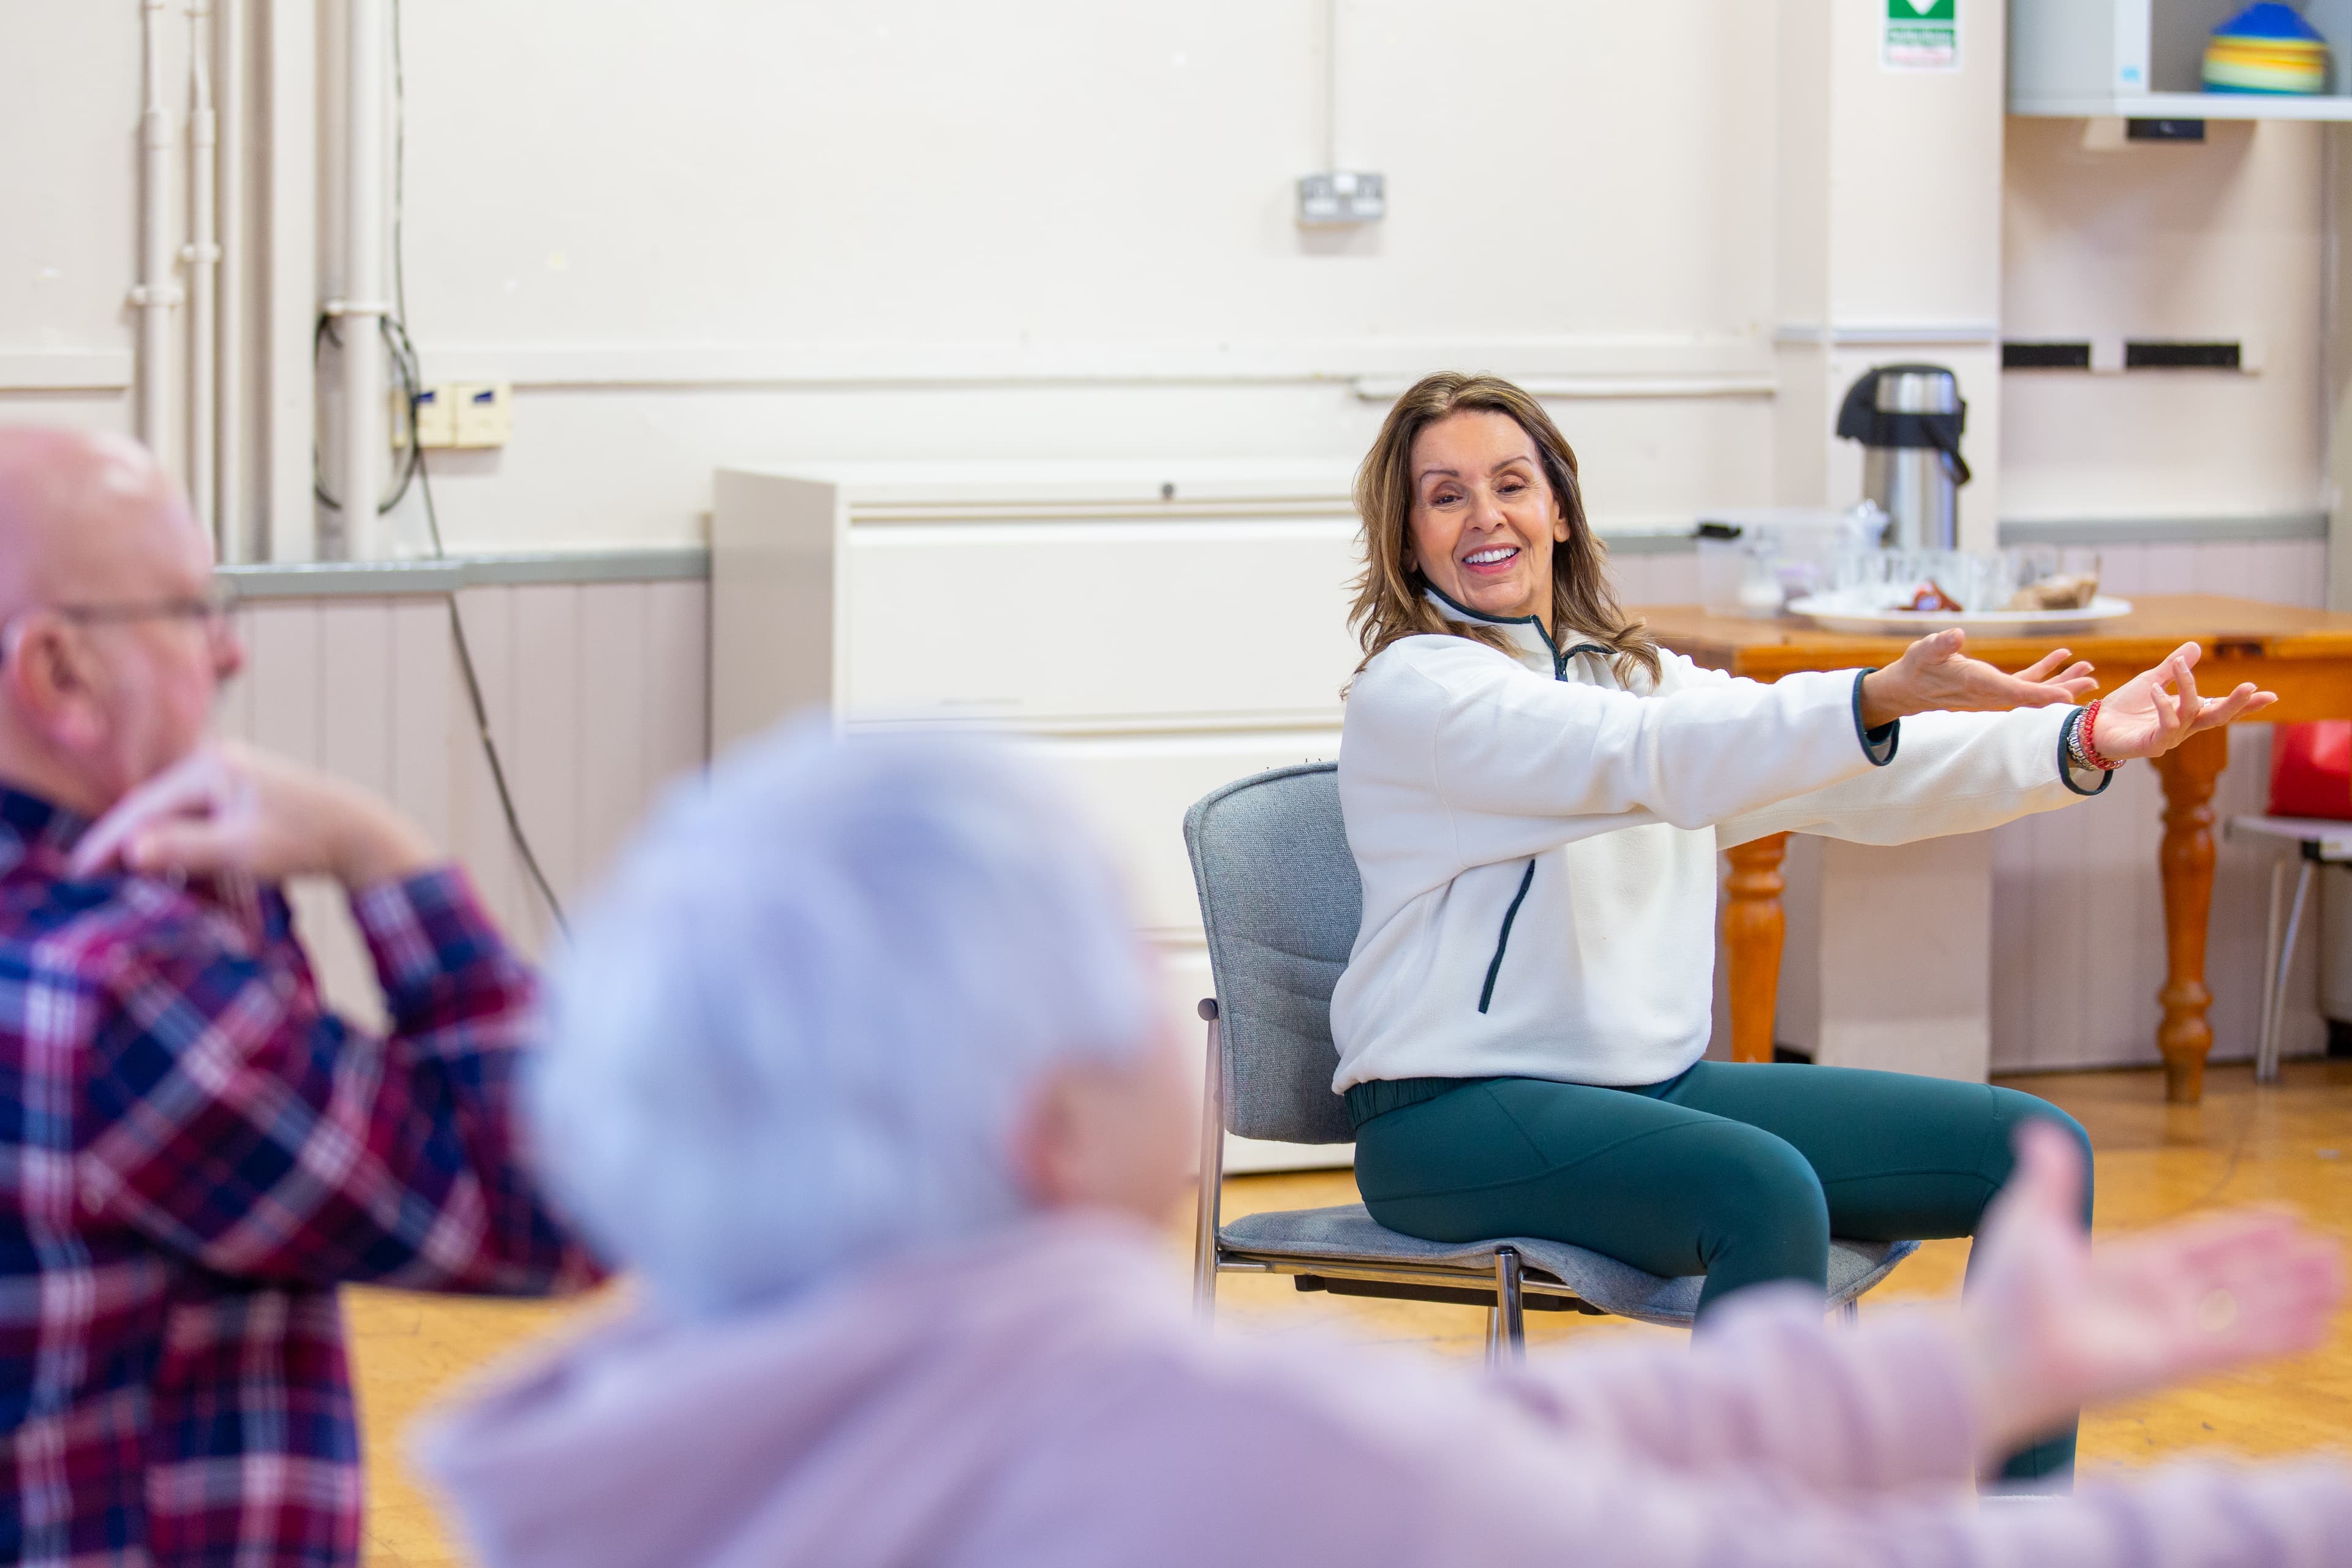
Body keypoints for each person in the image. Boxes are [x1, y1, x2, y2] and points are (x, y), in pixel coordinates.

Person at [420, 720, 2348, 1568]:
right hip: (1489, 1124)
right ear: (1045, 1125)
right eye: (1122, 966)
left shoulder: (679, 1442)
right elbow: (1422, 1485)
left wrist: (1964, 1376)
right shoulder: (1207, 1465)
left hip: (1639, 1090)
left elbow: (1496, 1451)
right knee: (1763, 1188)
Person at [1330, 373, 2278, 1483]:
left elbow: (1851, 779)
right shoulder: (1420, 695)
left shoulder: (1632, 678)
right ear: (1406, 542)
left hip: (1642, 1091)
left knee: (2034, 1156)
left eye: (1510, 484)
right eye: (1444, 496)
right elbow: (1652, 758)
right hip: (1451, 1116)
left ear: (1562, 511)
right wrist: (1870, 697)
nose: (1484, 515)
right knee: (1763, 1187)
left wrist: (2079, 745)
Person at [0, 428, 601, 1567]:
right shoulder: (129, 995)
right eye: (184, 611)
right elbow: (550, 1205)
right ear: (58, 674)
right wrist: (380, 851)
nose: (227, 653)